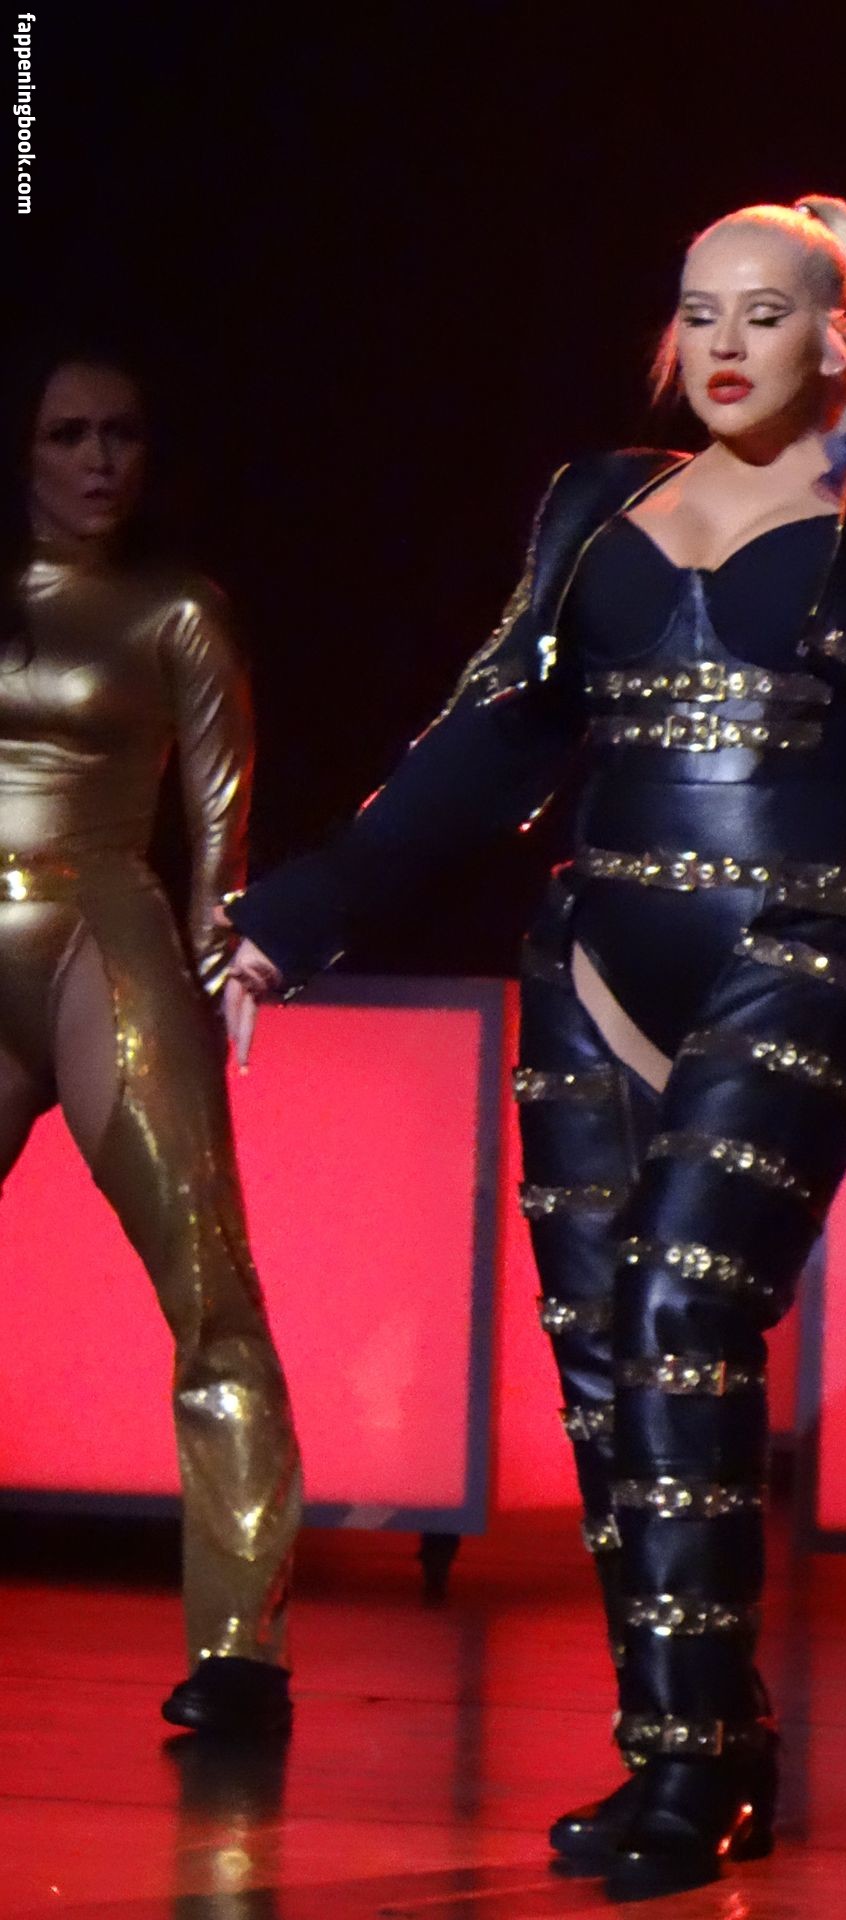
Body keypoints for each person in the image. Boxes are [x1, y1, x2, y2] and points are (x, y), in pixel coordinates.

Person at [222, 197, 846, 1893]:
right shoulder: (593, 501)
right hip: (591, 956)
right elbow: (483, 740)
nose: (725, 344)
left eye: (767, 313)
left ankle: (705, 1773)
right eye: (700, 311)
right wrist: (297, 910)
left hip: (802, 950)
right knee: (603, 1369)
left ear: (841, 339)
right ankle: (680, 1751)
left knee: (684, 1312)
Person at [1, 347, 301, 1736]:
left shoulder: (177, 607)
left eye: (121, 433)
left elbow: (220, 825)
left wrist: (218, 965)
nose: (99, 460)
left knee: (206, 1280)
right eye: (69, 434)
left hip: (99, 937)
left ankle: (240, 1648)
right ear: (24, 450)